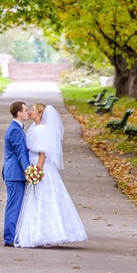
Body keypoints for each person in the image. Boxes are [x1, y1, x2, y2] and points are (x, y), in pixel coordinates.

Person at [14, 103, 88, 248]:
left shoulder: (41, 129)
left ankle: (46, 234)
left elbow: (42, 153)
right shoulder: (35, 128)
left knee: (43, 199)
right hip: (35, 166)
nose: (30, 112)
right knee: (38, 200)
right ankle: (42, 233)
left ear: (40, 114)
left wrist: (37, 171)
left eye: (33, 110)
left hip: (41, 168)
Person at [2, 101, 30, 247]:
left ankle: (12, 235)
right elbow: (21, 155)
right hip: (15, 174)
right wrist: (29, 172)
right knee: (14, 206)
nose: (28, 111)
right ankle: (9, 238)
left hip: (14, 174)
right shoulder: (15, 130)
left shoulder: (17, 128)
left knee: (15, 205)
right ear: (19, 113)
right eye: (26, 109)